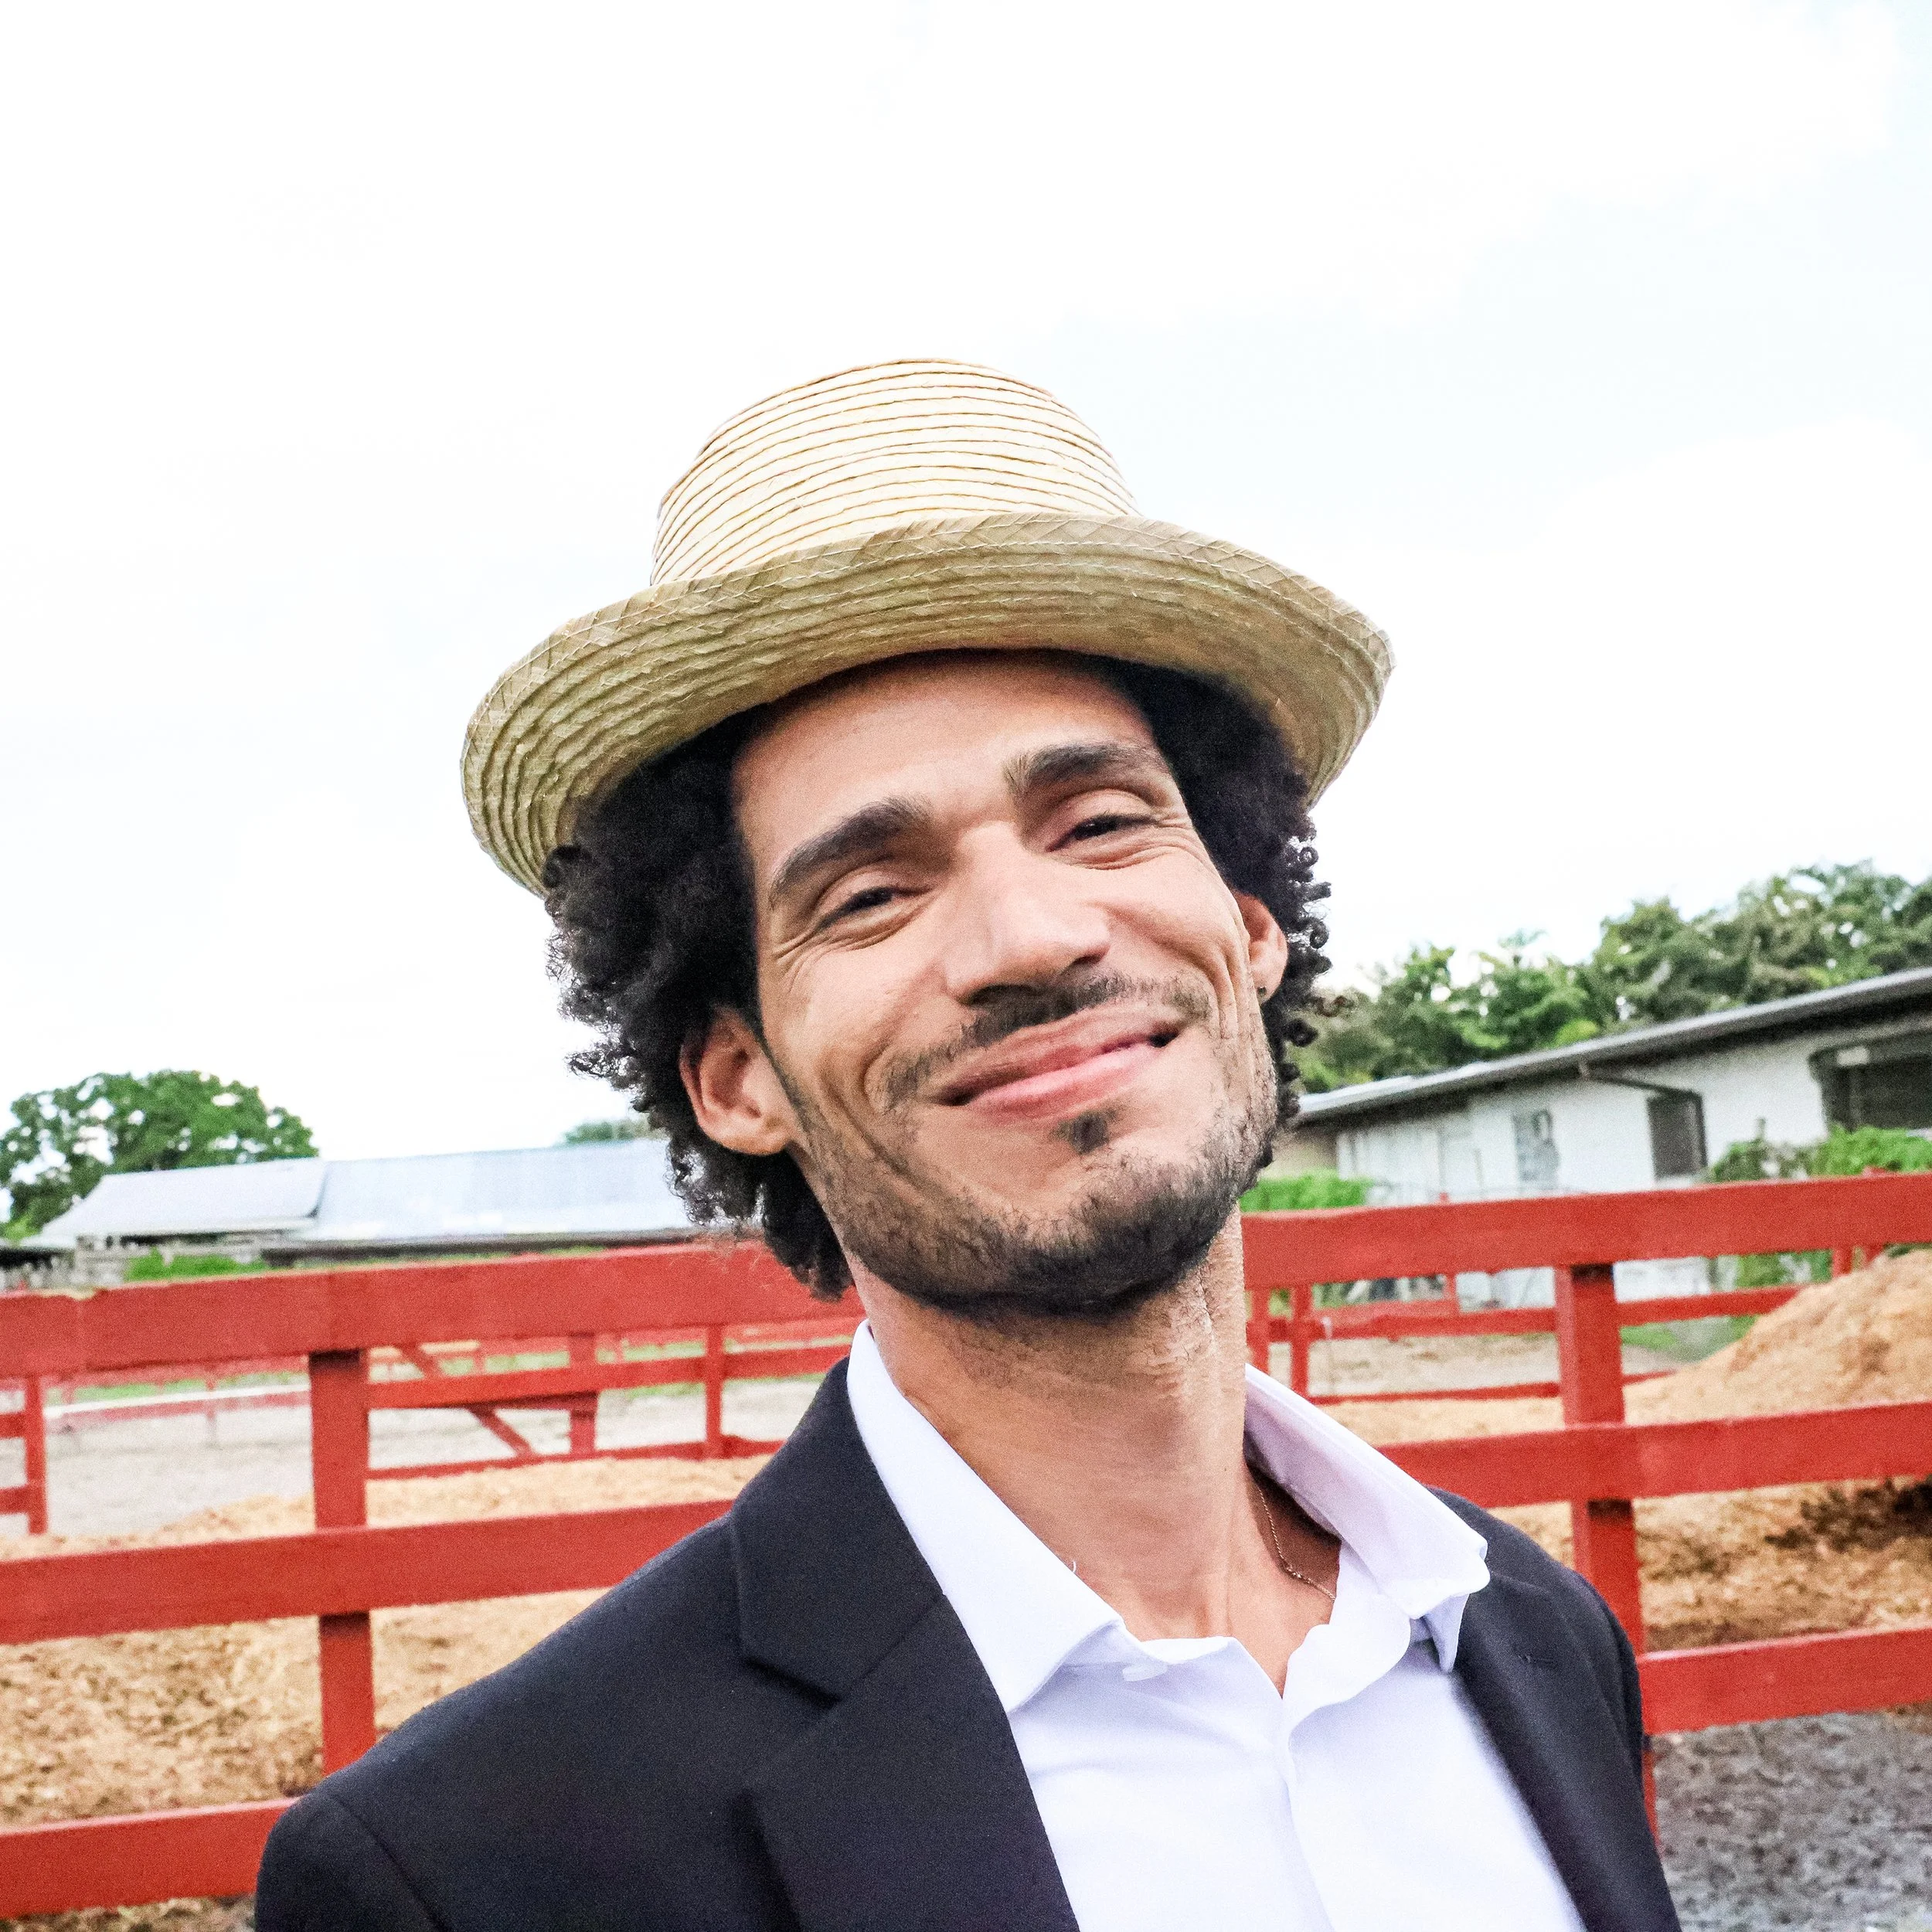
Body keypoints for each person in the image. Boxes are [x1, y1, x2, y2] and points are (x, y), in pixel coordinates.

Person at [257, 361, 1677, 1931]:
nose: (1031, 934)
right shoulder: (477, 1872)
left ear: (1249, 925)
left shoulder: (1531, 1638)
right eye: (867, 894)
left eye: (1098, 822)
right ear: (739, 1075)